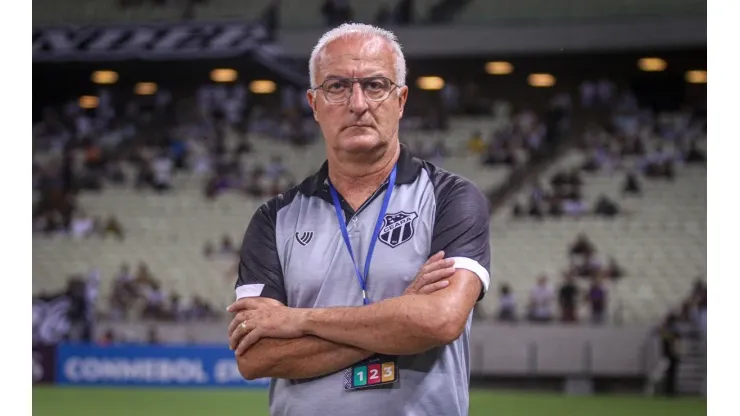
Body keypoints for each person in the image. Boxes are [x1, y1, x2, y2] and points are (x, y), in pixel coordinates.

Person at [227, 23, 491, 416]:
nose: (357, 103)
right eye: (336, 87)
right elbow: (257, 357)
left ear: (400, 100)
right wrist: (401, 318)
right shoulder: (273, 219)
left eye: (375, 85)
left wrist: (297, 321)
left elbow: (439, 321)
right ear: (314, 104)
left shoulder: (452, 197)